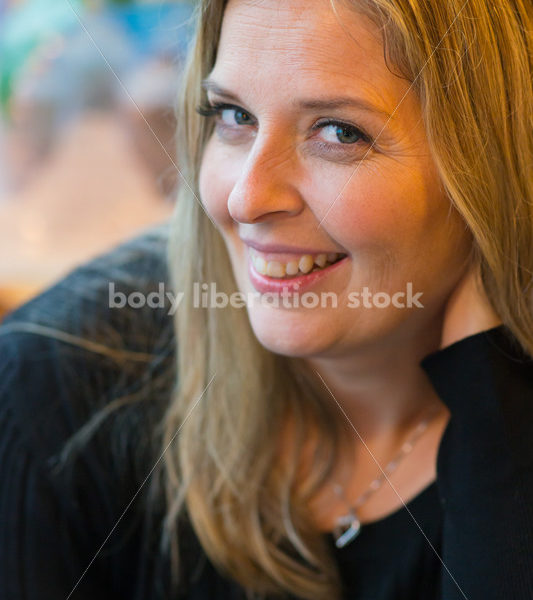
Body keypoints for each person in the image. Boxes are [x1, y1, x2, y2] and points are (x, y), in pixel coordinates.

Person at [1, 0, 532, 598]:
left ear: (494, 165)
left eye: (339, 132)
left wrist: (493, 415)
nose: (245, 199)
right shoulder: (56, 384)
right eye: (233, 116)